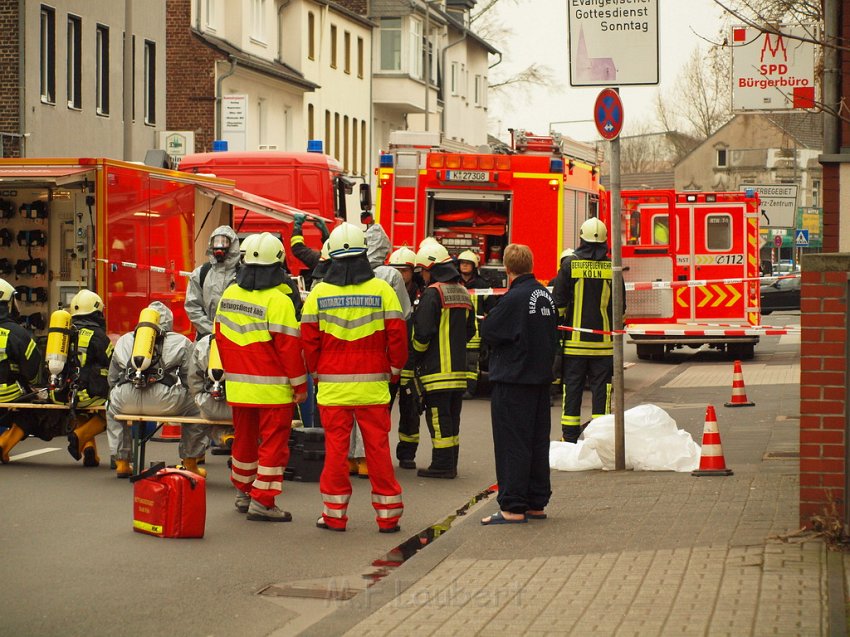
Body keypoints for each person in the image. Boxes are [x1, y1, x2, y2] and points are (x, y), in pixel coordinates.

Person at [301, 222, 407, 533]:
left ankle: (334, 516)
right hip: (374, 387)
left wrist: (318, 373)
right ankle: (388, 517)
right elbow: (398, 337)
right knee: (377, 450)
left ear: (332, 256)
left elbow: (308, 342)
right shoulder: (382, 290)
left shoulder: (319, 292)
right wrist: (394, 371)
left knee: (336, 452)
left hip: (333, 388)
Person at [215, 232, 308, 522]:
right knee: (273, 445)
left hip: (240, 387)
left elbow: (219, 338)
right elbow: (290, 351)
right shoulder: (278, 301)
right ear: (277, 265)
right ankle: (263, 501)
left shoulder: (229, 295)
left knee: (243, 441)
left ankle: (244, 493)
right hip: (273, 390)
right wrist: (300, 385)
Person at [479, 244, 558, 524]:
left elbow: (489, 330)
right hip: (539, 381)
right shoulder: (543, 295)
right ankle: (536, 502)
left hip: (513, 382)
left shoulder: (515, 298)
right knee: (537, 444)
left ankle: (512, 507)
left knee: (513, 444)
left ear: (507, 268)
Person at [106, 301, 203, 478]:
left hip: (126, 399)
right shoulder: (180, 341)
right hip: (164, 400)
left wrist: (116, 394)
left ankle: (122, 462)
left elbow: (112, 377)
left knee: (110, 405)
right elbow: (191, 379)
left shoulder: (125, 340)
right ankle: (190, 462)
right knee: (197, 406)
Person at [552, 217, 622, 443]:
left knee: (572, 389)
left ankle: (570, 437)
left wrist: (559, 327)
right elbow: (621, 308)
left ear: (581, 238)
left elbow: (559, 303)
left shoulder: (570, 264)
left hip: (574, 344)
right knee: (602, 390)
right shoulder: (612, 267)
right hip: (603, 345)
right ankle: (599, 437)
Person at [410, 240, 475, 478]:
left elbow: (423, 333)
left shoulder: (432, 293)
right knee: (451, 418)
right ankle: (451, 462)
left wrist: (415, 357)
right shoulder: (463, 291)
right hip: (459, 372)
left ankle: (442, 465)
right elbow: (471, 332)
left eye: (424, 270)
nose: (423, 276)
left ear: (432, 268)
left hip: (437, 372)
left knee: (438, 419)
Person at [52, 289, 114, 467]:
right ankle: (80, 437)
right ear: (97, 312)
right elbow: (112, 365)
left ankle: (90, 452)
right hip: (88, 394)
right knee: (109, 413)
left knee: (81, 411)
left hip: (63, 393)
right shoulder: (99, 336)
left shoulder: (64, 332)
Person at [388, 247, 425, 470]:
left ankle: (406, 454)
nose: (401, 275)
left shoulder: (423, 294)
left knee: (411, 410)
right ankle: (377, 453)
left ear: (413, 271)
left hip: (413, 362)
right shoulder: (386, 292)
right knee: (383, 410)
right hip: (390, 362)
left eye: (405, 270)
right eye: (397, 270)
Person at [0, 279, 42, 463]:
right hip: (8, 392)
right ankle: (4, 444)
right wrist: (31, 385)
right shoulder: (17, 333)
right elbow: (33, 365)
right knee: (33, 413)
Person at [184, 225, 241, 339]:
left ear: (233, 246)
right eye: (217, 242)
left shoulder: (243, 274)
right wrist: (211, 330)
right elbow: (192, 306)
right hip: (206, 338)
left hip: (235, 339)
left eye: (224, 242)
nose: (220, 246)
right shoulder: (201, 273)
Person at [457, 249, 494, 398]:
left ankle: (470, 390)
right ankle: (459, 388)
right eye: (462, 263)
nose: (464, 266)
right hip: (457, 330)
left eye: (468, 263)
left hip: (476, 332)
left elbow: (491, 309)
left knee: (472, 363)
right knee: (458, 363)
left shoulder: (482, 284)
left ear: (474, 266)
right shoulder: (455, 282)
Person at [188, 333, 232, 450]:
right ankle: (239, 448)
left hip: (210, 406)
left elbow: (193, 379)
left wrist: (198, 398)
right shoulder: (249, 339)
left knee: (194, 412)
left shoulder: (203, 343)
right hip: (241, 405)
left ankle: (222, 436)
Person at [290, 212, 330, 288]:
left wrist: (297, 226)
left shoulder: (321, 261)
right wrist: (326, 236)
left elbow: (298, 248)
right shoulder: (358, 268)